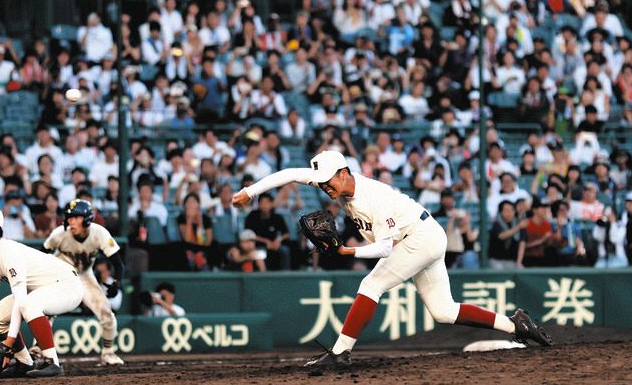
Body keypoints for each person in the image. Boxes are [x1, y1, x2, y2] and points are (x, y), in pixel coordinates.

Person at [232, 150, 551, 366]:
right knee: (443, 311)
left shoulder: (373, 198)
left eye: (329, 181)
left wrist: (346, 251)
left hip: (419, 238)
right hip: (421, 236)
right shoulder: (331, 178)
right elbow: (288, 173)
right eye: (322, 181)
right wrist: (252, 191)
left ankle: (341, 352)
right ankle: (516, 324)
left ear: (343, 173)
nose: (324, 186)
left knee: (371, 284)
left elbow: (385, 248)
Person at [0, 203, 86, 378]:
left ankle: (52, 362)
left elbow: (21, 300)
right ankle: (24, 361)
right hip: (41, 290)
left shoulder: (9, 252)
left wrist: (9, 341)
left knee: (28, 304)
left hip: (67, 286)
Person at [42, 198, 127, 365]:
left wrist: (117, 282)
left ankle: (108, 352)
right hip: (62, 275)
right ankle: (39, 349)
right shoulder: (60, 233)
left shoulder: (99, 233)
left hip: (85, 275)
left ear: (87, 219)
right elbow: (42, 255)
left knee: (107, 314)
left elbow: (118, 264)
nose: (71, 221)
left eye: (76, 217)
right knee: (47, 313)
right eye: (69, 217)